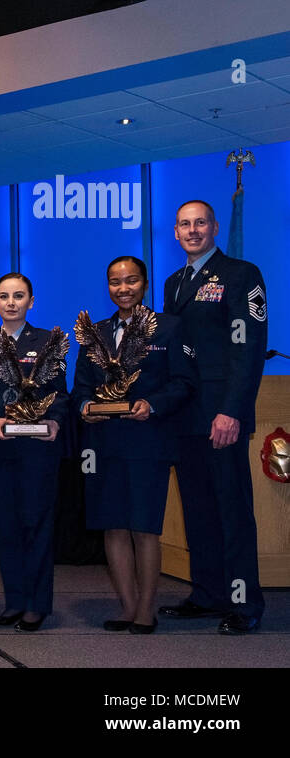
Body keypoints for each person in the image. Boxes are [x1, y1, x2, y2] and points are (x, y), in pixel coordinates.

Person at [160, 200, 267, 634]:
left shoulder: (242, 274)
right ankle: (208, 594)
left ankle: (244, 603)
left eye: (200, 222)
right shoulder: (172, 283)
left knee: (232, 512)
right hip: (185, 417)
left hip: (223, 417)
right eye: (184, 224)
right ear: (175, 232)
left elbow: (249, 347)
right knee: (199, 512)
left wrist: (232, 410)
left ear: (215, 227)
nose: (192, 230)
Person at [74, 256, 196, 634]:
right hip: (105, 442)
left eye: (130, 281)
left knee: (144, 528)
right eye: (115, 281)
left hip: (149, 440)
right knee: (113, 527)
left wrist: (153, 404)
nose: (122, 288)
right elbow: (80, 388)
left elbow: (183, 382)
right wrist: (85, 407)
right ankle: (126, 606)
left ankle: (146, 609)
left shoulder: (170, 328)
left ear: (144, 283)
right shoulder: (94, 332)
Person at [0, 273, 67, 632]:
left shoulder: (48, 341)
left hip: (38, 449)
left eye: (19, 296)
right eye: (4, 296)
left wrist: (56, 420)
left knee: (37, 524)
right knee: (6, 527)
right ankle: (14, 601)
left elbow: (60, 392)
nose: (11, 302)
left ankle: (37, 604)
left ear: (31, 301)